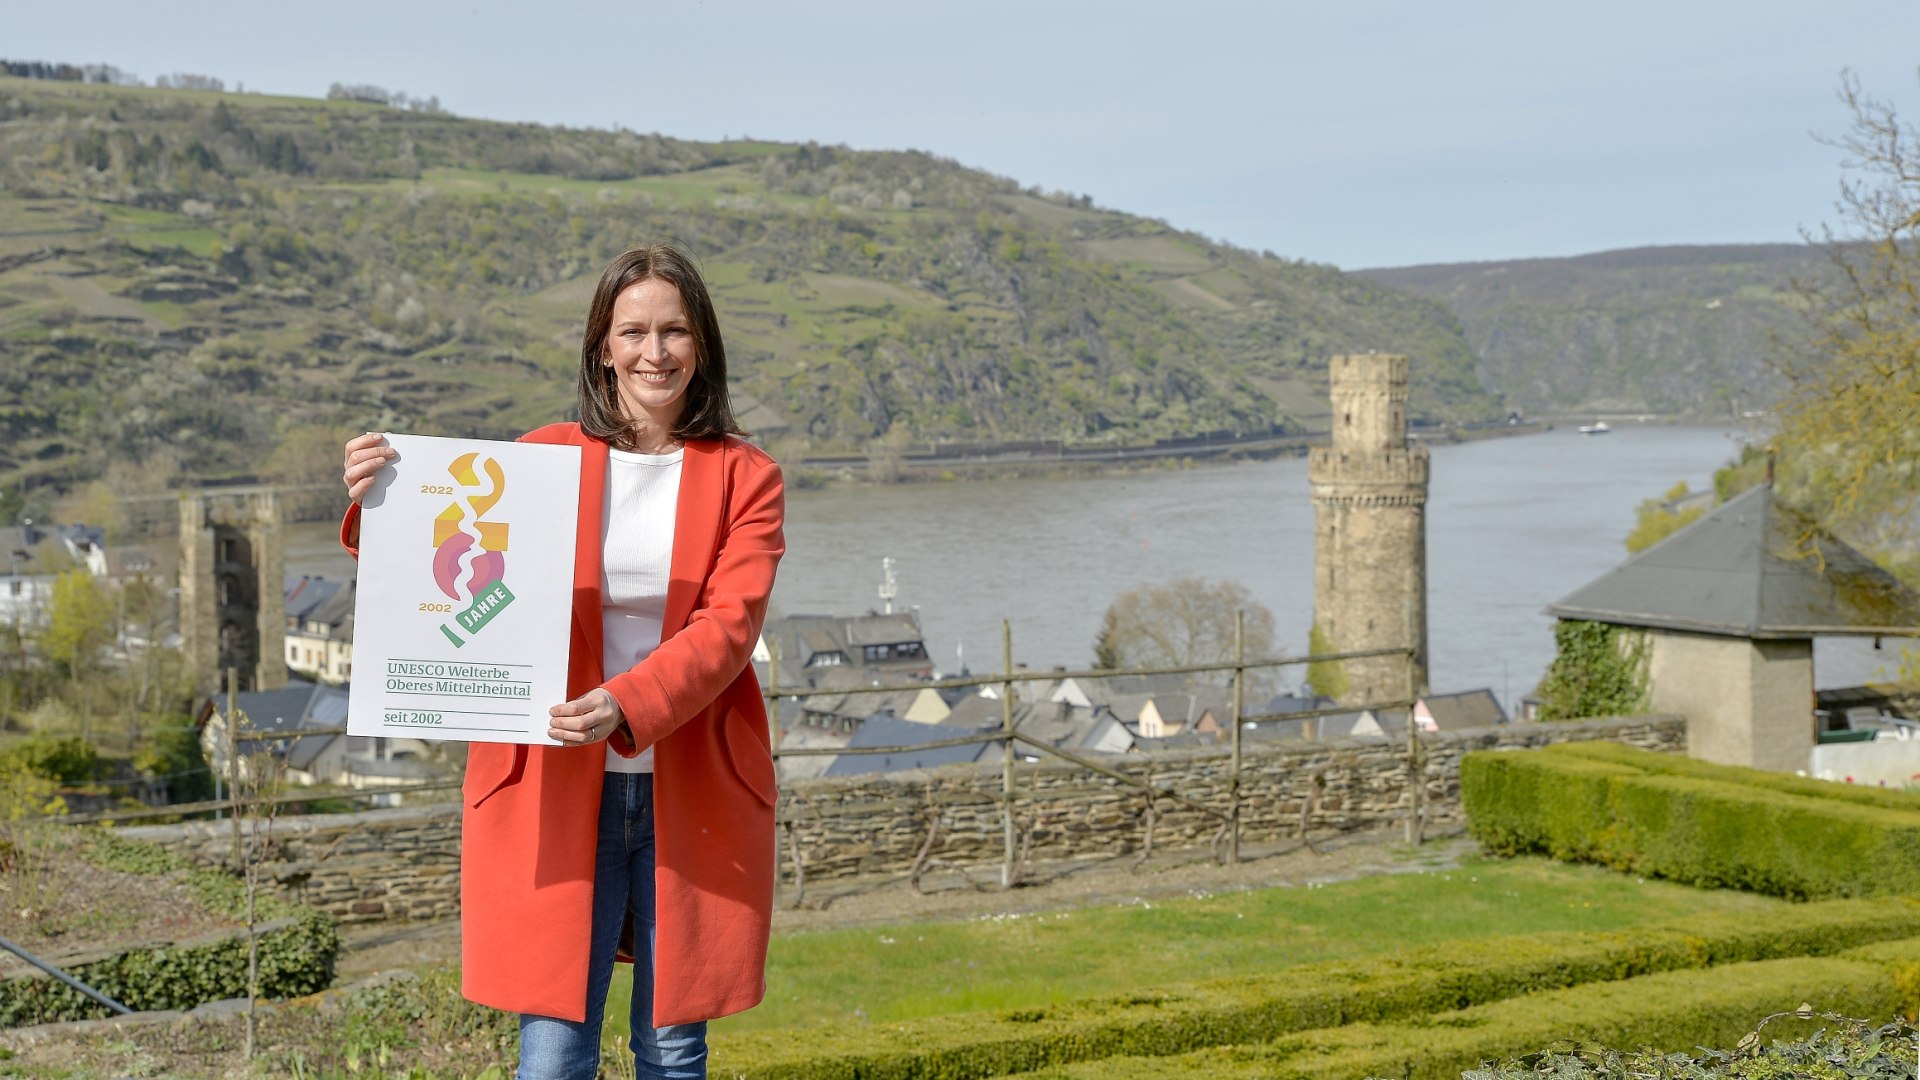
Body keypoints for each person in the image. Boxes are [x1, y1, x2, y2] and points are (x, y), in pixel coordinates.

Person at [340, 244, 784, 1079]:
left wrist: (624, 704)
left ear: (703, 345)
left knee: (674, 1048)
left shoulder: (748, 476)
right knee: (552, 1053)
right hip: (550, 781)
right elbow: (449, 570)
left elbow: (731, 626)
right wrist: (380, 506)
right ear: (602, 348)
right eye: (634, 331)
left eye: (674, 331)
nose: (655, 352)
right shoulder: (537, 458)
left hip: (693, 788)